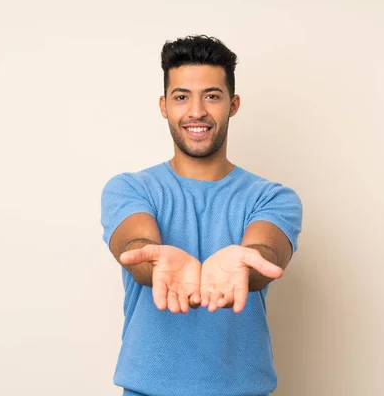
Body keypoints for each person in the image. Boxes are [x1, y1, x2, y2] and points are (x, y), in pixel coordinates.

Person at [101, 35, 303, 396]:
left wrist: (250, 263)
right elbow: (135, 244)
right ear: (164, 105)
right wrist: (153, 260)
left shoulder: (272, 197)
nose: (196, 111)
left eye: (211, 95)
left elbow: (265, 251)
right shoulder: (131, 188)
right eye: (182, 97)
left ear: (233, 104)